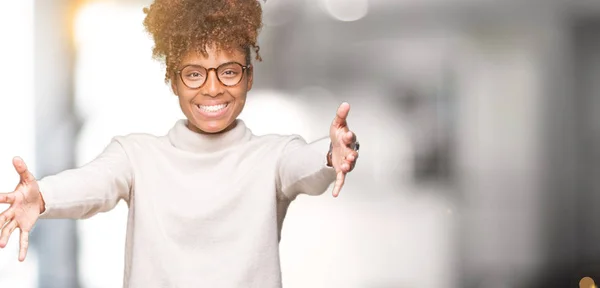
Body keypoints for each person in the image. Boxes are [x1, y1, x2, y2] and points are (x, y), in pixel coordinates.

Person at [0, 0, 359, 286]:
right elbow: (94, 183)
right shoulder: (137, 155)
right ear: (173, 81)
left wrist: (331, 153)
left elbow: (304, 165)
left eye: (229, 71)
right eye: (194, 74)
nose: (213, 87)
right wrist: (44, 195)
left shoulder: (272, 156)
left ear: (248, 77)